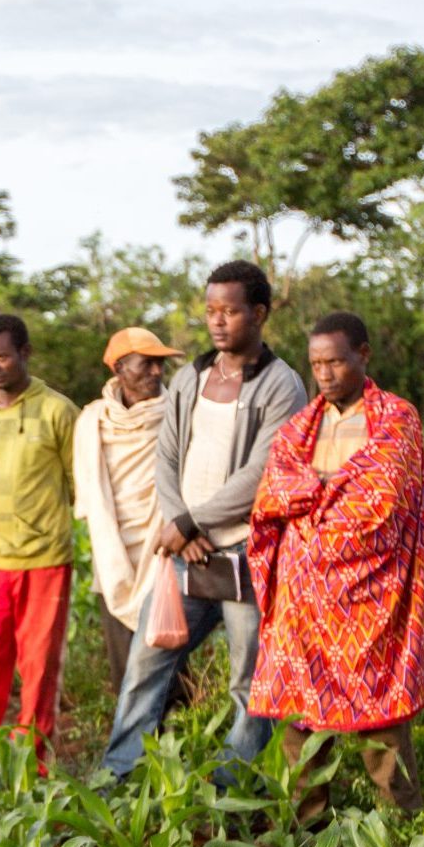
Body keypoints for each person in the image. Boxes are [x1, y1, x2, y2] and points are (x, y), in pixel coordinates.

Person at [103, 262, 307, 781]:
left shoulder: (282, 386)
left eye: (230, 311)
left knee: (249, 681)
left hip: (246, 556)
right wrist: (180, 522)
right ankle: (118, 775)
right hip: (186, 555)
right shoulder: (189, 377)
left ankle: (231, 787)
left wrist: (193, 522)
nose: (217, 321)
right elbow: (165, 455)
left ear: (258, 314)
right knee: (146, 665)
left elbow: (263, 474)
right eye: (211, 310)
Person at [249, 312, 424, 816]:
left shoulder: (396, 420)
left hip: (370, 601)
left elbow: (378, 505)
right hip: (303, 605)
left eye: (335, 361)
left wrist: (311, 499)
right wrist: (326, 492)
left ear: (364, 355)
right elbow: (272, 493)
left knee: (381, 724)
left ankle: (400, 832)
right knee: (299, 724)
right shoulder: (298, 428)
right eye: (316, 364)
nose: (325, 374)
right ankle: (306, 832)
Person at [0, 314, 80, 760]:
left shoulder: (59, 411)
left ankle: (33, 763)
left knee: (39, 668)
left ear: (25, 353)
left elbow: (77, 483)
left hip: (46, 560)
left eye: (2, 356)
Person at [73, 326, 183, 694]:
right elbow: (90, 496)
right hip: (113, 556)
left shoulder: (178, 415)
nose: (156, 372)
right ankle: (135, 745)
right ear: (119, 369)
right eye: (146, 364)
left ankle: (177, 741)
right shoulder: (92, 420)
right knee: (125, 668)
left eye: (160, 365)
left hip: (164, 551)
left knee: (169, 654)